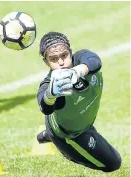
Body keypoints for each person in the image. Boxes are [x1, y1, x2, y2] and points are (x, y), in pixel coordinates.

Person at [37, 31, 121, 172]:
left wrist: (76, 72)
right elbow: (45, 107)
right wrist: (51, 95)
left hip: (84, 122)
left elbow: (95, 61)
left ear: (70, 52)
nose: (61, 62)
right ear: (46, 62)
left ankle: (46, 135)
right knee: (113, 164)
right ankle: (55, 140)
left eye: (64, 55)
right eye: (53, 59)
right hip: (68, 134)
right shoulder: (49, 84)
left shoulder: (81, 58)